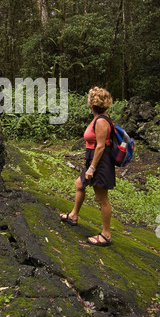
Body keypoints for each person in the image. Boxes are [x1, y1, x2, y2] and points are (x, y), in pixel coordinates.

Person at [60, 86, 115, 246]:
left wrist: (92, 168)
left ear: (93, 102)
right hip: (93, 159)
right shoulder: (98, 117)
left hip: (100, 162)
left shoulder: (101, 121)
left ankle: (106, 235)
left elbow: (100, 147)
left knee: (101, 198)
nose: (87, 100)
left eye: (89, 97)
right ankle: (74, 215)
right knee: (79, 184)